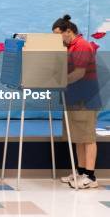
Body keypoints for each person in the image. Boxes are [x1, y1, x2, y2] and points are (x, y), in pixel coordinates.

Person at [52, 15, 100, 189]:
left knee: (87, 137)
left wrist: (59, 82)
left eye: (59, 35)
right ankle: (80, 171)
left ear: (69, 31)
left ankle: (91, 176)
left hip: (85, 99)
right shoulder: (69, 47)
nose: (58, 39)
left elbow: (79, 73)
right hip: (73, 97)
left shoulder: (82, 46)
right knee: (78, 137)